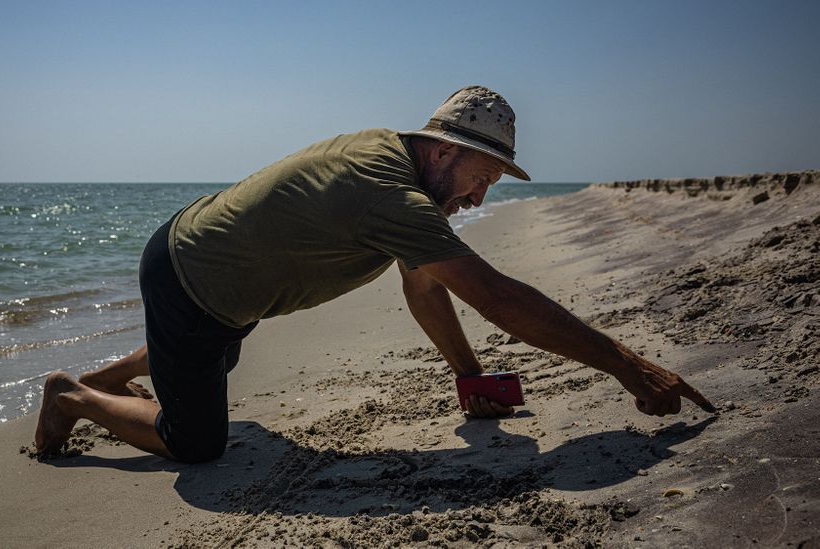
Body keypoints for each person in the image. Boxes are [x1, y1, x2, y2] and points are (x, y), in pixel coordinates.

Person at [35, 86, 715, 463]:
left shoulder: (396, 164)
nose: (478, 199)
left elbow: (423, 284)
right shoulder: (394, 196)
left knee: (214, 345)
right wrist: (624, 363)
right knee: (197, 443)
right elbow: (499, 297)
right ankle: (73, 395)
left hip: (210, 280)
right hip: (188, 279)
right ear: (447, 153)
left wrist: (468, 374)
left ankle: (114, 376)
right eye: (481, 181)